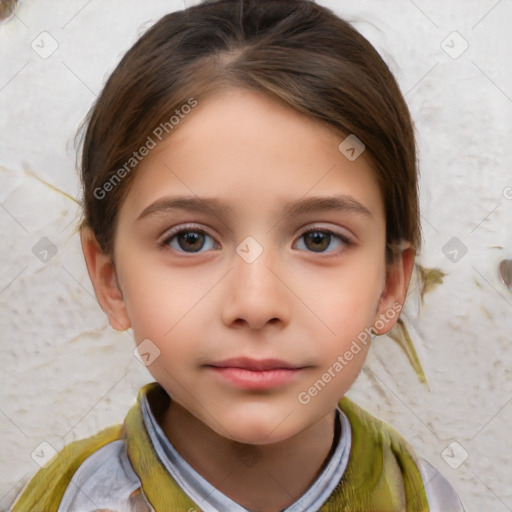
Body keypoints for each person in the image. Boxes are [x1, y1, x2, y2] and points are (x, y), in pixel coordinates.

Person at [11, 0, 466, 510]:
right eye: (190, 239)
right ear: (111, 279)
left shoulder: (424, 497)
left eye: (319, 239)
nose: (255, 303)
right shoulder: (67, 501)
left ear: (390, 284)